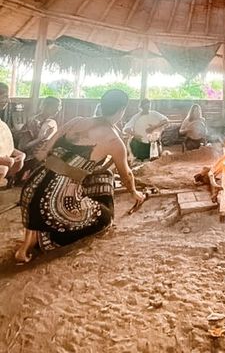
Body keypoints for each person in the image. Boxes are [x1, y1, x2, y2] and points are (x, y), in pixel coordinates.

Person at [14, 89, 145, 263]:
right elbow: (127, 174)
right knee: (104, 218)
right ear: (122, 110)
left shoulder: (76, 121)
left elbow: (43, 153)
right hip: (52, 201)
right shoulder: (114, 141)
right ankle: (41, 239)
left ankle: (29, 236)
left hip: (31, 189)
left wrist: (70, 164)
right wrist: (135, 193)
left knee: (102, 175)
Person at [16, 96, 62, 182]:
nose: (58, 109)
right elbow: (22, 147)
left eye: (59, 107)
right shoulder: (32, 123)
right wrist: (41, 138)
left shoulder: (51, 123)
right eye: (55, 106)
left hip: (43, 156)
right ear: (45, 106)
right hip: (30, 159)